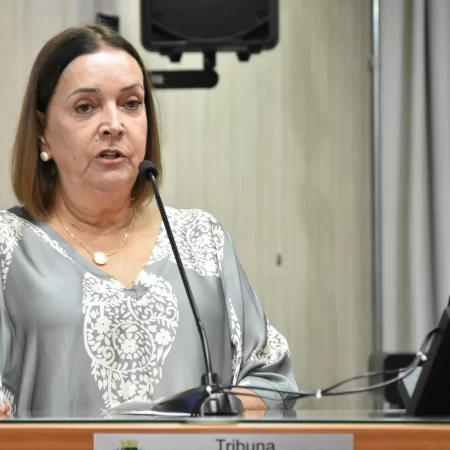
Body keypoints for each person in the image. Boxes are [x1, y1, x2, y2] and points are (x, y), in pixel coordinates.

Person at [0, 25, 297, 419]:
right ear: (42, 133)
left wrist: (212, 408)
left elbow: (274, 384)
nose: (113, 124)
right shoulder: (8, 246)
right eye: (85, 107)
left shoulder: (201, 241)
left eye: (131, 103)